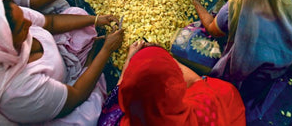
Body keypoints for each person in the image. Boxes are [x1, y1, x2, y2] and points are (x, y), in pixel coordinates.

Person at [0, 0, 124, 125]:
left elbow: (50, 22)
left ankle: (87, 63)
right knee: (88, 115)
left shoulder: (10, 17)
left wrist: (96, 19)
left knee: (78, 15)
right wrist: (104, 51)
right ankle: (88, 64)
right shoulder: (14, 91)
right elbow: (76, 96)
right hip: (53, 105)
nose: (28, 22)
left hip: (55, 64)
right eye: (20, 28)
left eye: (22, 15)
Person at [189, 0, 292, 107]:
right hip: (282, 62)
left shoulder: (236, 7)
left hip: (250, 76)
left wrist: (196, 1)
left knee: (185, 42)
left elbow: (212, 29)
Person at [98, 45, 246, 126]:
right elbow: (196, 82)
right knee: (225, 91)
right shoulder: (203, 109)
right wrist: (164, 56)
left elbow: (118, 92)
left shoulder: (110, 121)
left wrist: (130, 59)